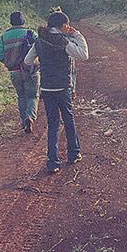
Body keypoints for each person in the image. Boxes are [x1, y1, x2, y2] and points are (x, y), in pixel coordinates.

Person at [23, 10, 88, 174]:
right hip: (62, 87)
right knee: (68, 119)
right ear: (64, 25)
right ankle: (73, 154)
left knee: (52, 124)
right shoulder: (63, 41)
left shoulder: (39, 41)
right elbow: (84, 54)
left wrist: (42, 63)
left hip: (46, 88)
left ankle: (53, 162)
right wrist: (77, 34)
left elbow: (27, 60)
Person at [0, 11, 39, 133]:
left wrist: (8, 62)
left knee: (21, 96)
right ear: (23, 21)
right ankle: (30, 116)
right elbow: (40, 47)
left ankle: (24, 120)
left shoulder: (4, 37)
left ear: (11, 22)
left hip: (14, 71)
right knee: (32, 96)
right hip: (30, 70)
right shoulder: (30, 33)